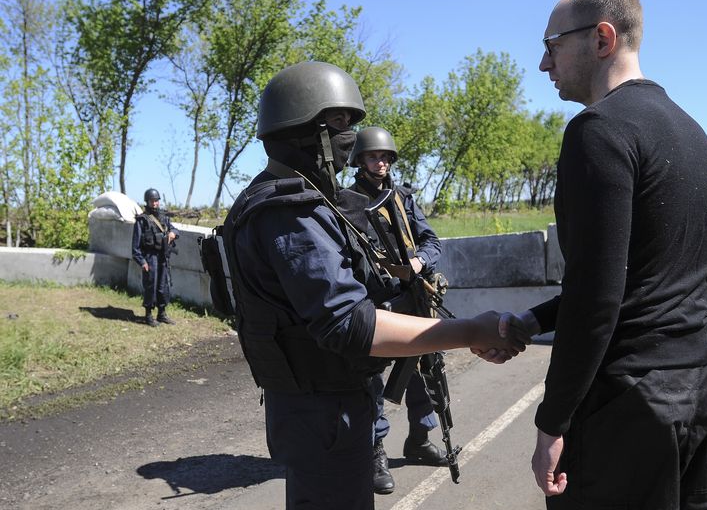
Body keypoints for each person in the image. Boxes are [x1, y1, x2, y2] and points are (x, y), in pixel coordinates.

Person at [222, 61, 525, 510]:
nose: (352, 137)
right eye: (341, 123)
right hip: (325, 409)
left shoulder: (285, 197)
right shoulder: (291, 210)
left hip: (319, 406)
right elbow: (347, 323)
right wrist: (468, 331)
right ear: (308, 131)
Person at [484, 0, 707, 509]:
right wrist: (534, 320)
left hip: (629, 404)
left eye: (551, 46)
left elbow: (598, 298)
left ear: (602, 38)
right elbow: (647, 278)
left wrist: (552, 423)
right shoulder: (691, 133)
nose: (543, 65)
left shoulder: (598, 132)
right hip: (701, 389)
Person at [347, 126, 447, 494]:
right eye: (374, 156)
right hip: (374, 302)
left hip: (413, 297)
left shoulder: (402, 197)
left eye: (386, 156)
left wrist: (419, 262)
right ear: (360, 160)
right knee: (371, 382)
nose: (382, 162)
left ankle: (419, 439)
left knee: (425, 371)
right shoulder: (346, 203)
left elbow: (431, 240)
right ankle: (376, 452)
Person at [131, 188, 179, 326]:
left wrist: (173, 234)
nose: (155, 204)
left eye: (156, 201)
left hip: (163, 256)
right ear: (147, 202)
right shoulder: (142, 220)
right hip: (150, 257)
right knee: (150, 286)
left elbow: (175, 229)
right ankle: (148, 315)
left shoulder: (164, 218)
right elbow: (135, 247)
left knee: (163, 286)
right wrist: (142, 262)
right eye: (152, 201)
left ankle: (162, 313)